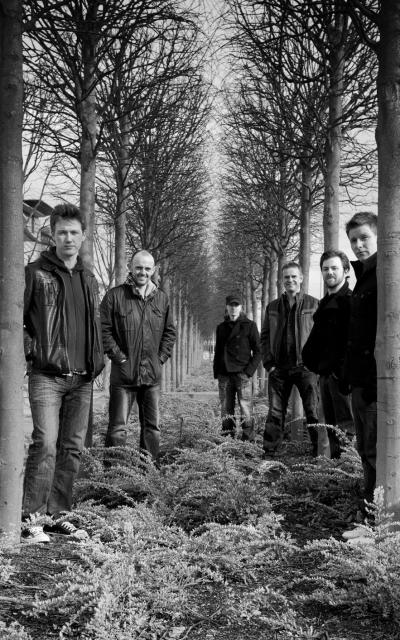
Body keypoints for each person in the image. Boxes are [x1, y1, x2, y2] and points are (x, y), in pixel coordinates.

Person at [22, 204, 104, 544]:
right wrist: (33, 352)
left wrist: (97, 360)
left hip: (82, 378)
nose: (68, 238)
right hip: (47, 375)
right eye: (62, 232)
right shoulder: (35, 273)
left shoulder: (89, 278)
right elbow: (16, 320)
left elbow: (94, 324)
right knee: (45, 443)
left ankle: (58, 516)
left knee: (72, 448)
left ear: (83, 236)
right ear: (52, 236)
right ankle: (31, 519)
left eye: (74, 232)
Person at [100, 250, 176, 464]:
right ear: (130, 268)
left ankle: (148, 472)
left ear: (154, 270)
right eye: (139, 267)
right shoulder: (115, 296)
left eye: (147, 268)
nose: (143, 272)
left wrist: (160, 359)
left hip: (152, 376)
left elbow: (170, 332)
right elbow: (103, 330)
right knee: (118, 428)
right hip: (123, 376)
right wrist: (119, 357)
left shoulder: (162, 299)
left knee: (152, 428)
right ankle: (113, 474)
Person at [340, 212, 378, 540]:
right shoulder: (363, 277)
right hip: (360, 383)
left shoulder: (385, 275)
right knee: (365, 449)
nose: (358, 244)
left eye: (364, 237)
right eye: (353, 240)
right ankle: (369, 515)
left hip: (376, 384)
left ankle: (377, 524)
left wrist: (377, 383)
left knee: (377, 452)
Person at [261, 261, 320, 456]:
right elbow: (264, 337)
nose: (290, 280)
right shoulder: (272, 307)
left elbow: (321, 336)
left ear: (301, 278)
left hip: (306, 368)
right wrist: (269, 364)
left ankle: (319, 453)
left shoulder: (314, 304)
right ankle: (270, 453)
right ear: (281, 280)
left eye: (294, 276)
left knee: (313, 411)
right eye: (286, 277)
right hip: (279, 369)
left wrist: (316, 364)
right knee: (275, 412)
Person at [302, 250, 354, 458]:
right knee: (332, 429)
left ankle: (348, 470)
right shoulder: (324, 303)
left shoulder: (349, 302)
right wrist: (314, 364)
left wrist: (340, 373)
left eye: (334, 268)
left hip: (342, 379)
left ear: (346, 270)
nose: (330, 272)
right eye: (325, 269)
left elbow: (353, 342)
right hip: (325, 376)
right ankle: (336, 470)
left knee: (346, 429)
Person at [213, 294, 261, 441]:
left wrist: (249, 372)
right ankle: (227, 438)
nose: (233, 309)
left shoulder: (250, 326)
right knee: (225, 408)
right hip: (224, 374)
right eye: (231, 306)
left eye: (236, 305)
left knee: (245, 408)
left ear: (241, 307)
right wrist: (217, 372)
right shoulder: (221, 327)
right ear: (227, 307)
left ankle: (248, 440)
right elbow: (218, 350)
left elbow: (259, 350)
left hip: (242, 373)